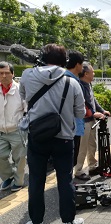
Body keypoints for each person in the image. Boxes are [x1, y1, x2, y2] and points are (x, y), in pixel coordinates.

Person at [19, 44, 85, 224]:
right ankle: (68, 220)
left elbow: (23, 97)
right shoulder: (72, 82)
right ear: (65, 61)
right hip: (64, 138)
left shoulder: (27, 75)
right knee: (65, 180)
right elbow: (80, 113)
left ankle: (36, 220)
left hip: (37, 137)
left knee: (36, 180)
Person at [74, 62, 110, 180]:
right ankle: (78, 171)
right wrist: (93, 113)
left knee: (92, 145)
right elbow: (82, 104)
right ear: (85, 73)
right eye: (92, 71)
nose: (94, 73)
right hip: (83, 121)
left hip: (91, 120)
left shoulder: (88, 84)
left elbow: (92, 100)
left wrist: (102, 110)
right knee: (82, 147)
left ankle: (92, 166)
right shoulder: (79, 85)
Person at [0, 62, 26, 192]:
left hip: (17, 130)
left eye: (7, 73)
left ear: (13, 74)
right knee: (0, 156)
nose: (4, 76)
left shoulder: (20, 89)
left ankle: (18, 181)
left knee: (20, 158)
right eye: (1, 73)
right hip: (1, 131)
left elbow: (27, 110)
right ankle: (8, 176)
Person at [64, 50, 85, 167]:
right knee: (69, 161)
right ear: (77, 64)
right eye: (82, 64)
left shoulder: (62, 78)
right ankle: (68, 184)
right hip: (71, 127)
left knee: (69, 161)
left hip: (66, 127)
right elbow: (80, 110)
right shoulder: (71, 81)